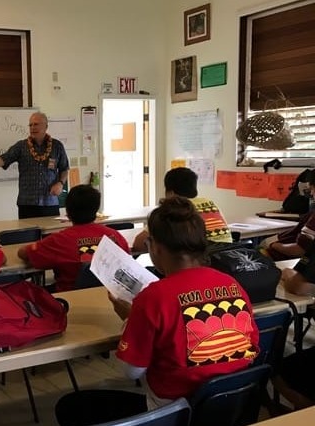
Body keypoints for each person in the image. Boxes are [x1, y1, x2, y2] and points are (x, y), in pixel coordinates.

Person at [54, 196, 259, 425]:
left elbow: (131, 371)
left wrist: (130, 320)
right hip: (230, 407)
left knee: (70, 406)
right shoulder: (231, 284)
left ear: (156, 247)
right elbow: (250, 347)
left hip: (175, 413)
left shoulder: (154, 297)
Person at [17, 184, 130, 292]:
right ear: (96, 210)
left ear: (67, 212)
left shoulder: (58, 241)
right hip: (110, 297)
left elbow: (23, 253)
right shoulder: (115, 236)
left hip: (69, 298)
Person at [0, 112, 70, 219]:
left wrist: (60, 183)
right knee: (28, 231)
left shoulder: (57, 146)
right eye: (30, 125)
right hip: (27, 204)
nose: (32, 127)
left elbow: (64, 168)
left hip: (50, 201)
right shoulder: (21, 146)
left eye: (36, 124)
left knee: (51, 230)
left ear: (46, 126)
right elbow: (3, 159)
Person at [133, 167, 232, 251]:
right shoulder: (211, 204)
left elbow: (139, 244)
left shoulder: (174, 208)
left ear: (170, 193)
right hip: (227, 259)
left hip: (201, 263)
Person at [260, 172, 315, 261]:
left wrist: (273, 245)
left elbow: (298, 250)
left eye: (312, 189)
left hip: (285, 259)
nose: (311, 193)